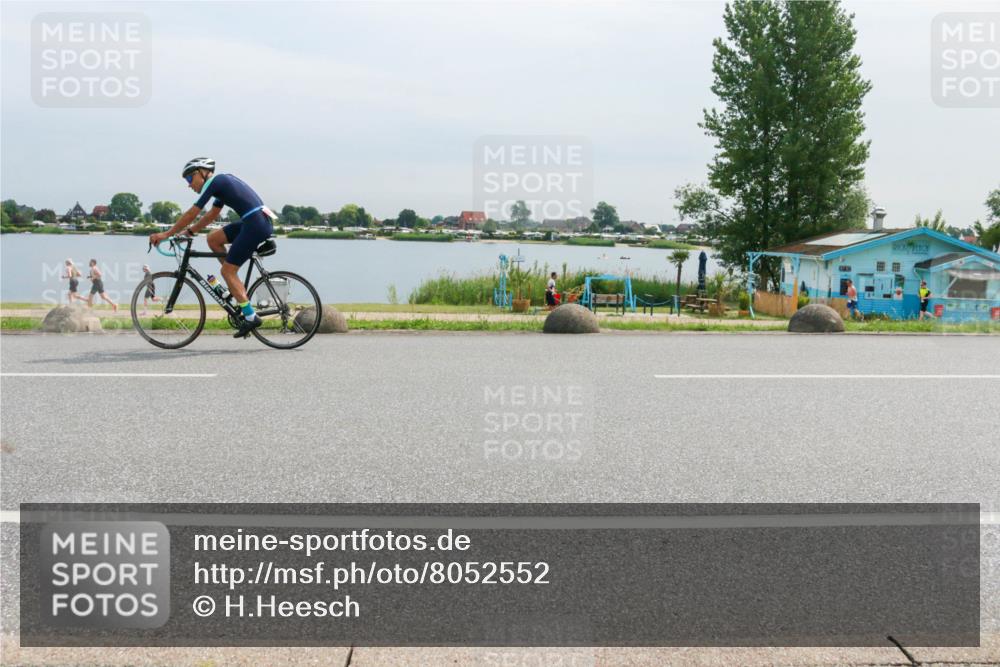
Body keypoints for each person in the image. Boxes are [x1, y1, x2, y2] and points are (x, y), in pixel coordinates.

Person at [149, 158, 276, 338]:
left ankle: (250, 316)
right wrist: (189, 232)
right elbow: (212, 214)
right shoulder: (220, 184)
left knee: (227, 272)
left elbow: (193, 212)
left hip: (255, 223)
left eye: (189, 179)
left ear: (201, 172)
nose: (189, 185)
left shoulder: (216, 182)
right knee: (213, 239)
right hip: (254, 220)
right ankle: (237, 288)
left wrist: (166, 234)